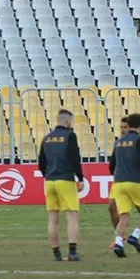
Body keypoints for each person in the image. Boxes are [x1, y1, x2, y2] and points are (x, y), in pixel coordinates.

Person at [37, 109, 84, 262]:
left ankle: (56, 253)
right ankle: (72, 252)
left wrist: (47, 175)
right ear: (68, 121)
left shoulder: (47, 138)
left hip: (50, 180)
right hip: (65, 179)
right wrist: (80, 177)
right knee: (71, 216)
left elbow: (41, 162)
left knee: (52, 218)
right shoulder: (70, 136)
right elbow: (75, 158)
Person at [108, 113, 140, 257]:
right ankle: (135, 235)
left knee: (124, 216)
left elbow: (111, 165)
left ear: (129, 126)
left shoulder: (118, 142)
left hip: (118, 183)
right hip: (134, 181)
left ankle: (119, 243)